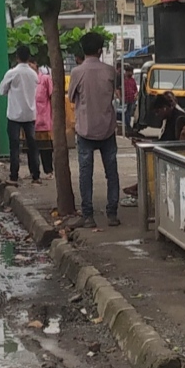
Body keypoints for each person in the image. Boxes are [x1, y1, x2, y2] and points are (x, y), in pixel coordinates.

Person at [70, 32, 120, 228]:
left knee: (85, 174)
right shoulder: (110, 72)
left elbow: (71, 97)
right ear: (100, 50)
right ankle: (112, 214)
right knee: (112, 172)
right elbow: (113, 95)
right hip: (108, 128)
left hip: (85, 129)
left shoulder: (77, 72)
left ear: (83, 50)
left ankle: (88, 216)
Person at [122, 93, 185, 200]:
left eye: (158, 112)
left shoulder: (179, 119)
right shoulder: (169, 119)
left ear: (165, 108)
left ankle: (140, 188)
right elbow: (164, 140)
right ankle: (140, 186)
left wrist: (149, 144)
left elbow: (172, 142)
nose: (157, 115)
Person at [0, 45, 41, 184]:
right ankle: (35, 175)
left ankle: (14, 176)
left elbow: (2, 90)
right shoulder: (33, 74)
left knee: (14, 146)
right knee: (32, 146)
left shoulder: (12, 73)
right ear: (29, 57)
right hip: (30, 114)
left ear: (17, 57)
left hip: (14, 115)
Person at [34, 65, 55, 177]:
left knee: (46, 148)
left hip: (44, 118)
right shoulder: (27, 79)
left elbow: (52, 97)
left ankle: (48, 170)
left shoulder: (45, 79)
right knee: (31, 148)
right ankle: (34, 172)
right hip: (30, 118)